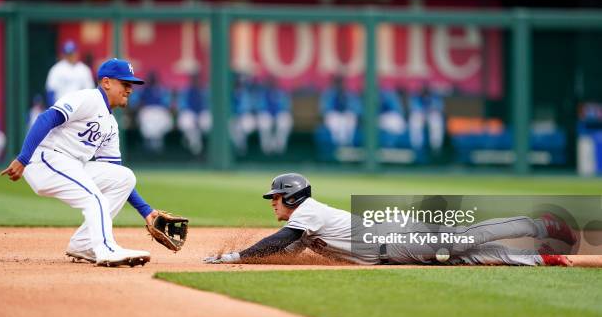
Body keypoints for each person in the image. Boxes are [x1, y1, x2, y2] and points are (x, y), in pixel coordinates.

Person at [204, 173, 576, 267]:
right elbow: (282, 248)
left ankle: (539, 225)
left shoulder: (308, 213)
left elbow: (277, 242)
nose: (273, 203)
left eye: (277, 197)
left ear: (294, 198)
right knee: (463, 257)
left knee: (462, 240)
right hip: (391, 247)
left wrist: (235, 257)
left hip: (396, 237)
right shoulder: (306, 225)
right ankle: (539, 258)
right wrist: (237, 258)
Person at [1, 58, 159, 267]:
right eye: (125, 83)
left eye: (131, 85)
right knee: (95, 199)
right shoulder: (89, 98)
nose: (129, 89)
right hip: (46, 159)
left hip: (72, 164)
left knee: (124, 178)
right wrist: (23, 158)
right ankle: (106, 249)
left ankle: (84, 244)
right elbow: (45, 118)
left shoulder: (111, 125)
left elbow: (114, 172)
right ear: (106, 82)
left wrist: (146, 211)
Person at [130, 71, 173, 153]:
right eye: (151, 78)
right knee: (147, 121)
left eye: (154, 78)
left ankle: (157, 142)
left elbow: (167, 104)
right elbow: (137, 104)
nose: (153, 80)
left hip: (160, 111)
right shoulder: (144, 90)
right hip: (147, 110)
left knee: (164, 121)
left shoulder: (161, 90)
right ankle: (149, 143)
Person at [45, 40, 95, 105]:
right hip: (61, 106)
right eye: (68, 54)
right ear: (64, 55)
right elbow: (50, 91)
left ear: (77, 53)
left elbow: (90, 91)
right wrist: (53, 108)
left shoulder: (84, 69)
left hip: (79, 108)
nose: (71, 56)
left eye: (72, 53)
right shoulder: (56, 69)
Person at [319, 76, 362, 147]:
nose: (339, 84)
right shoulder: (328, 93)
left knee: (350, 119)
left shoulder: (349, 93)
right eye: (337, 82)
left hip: (346, 115)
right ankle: (338, 146)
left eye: (341, 82)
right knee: (335, 122)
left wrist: (348, 108)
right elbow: (324, 109)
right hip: (333, 115)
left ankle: (348, 145)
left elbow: (357, 109)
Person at [255, 77, 293, 155]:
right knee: (264, 121)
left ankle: (279, 147)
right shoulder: (263, 94)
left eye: (273, 82)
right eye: (270, 83)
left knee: (285, 120)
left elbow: (286, 107)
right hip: (267, 116)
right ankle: (266, 148)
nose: (272, 84)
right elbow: (260, 108)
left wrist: (276, 114)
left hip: (279, 115)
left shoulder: (281, 93)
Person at [176, 74, 212, 155]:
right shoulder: (186, 91)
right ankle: (194, 148)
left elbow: (207, 106)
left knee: (207, 122)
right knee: (188, 123)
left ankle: (209, 148)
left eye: (198, 80)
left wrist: (198, 117)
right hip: (190, 115)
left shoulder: (204, 91)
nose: (196, 82)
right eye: (194, 80)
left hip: (203, 115)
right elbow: (182, 107)